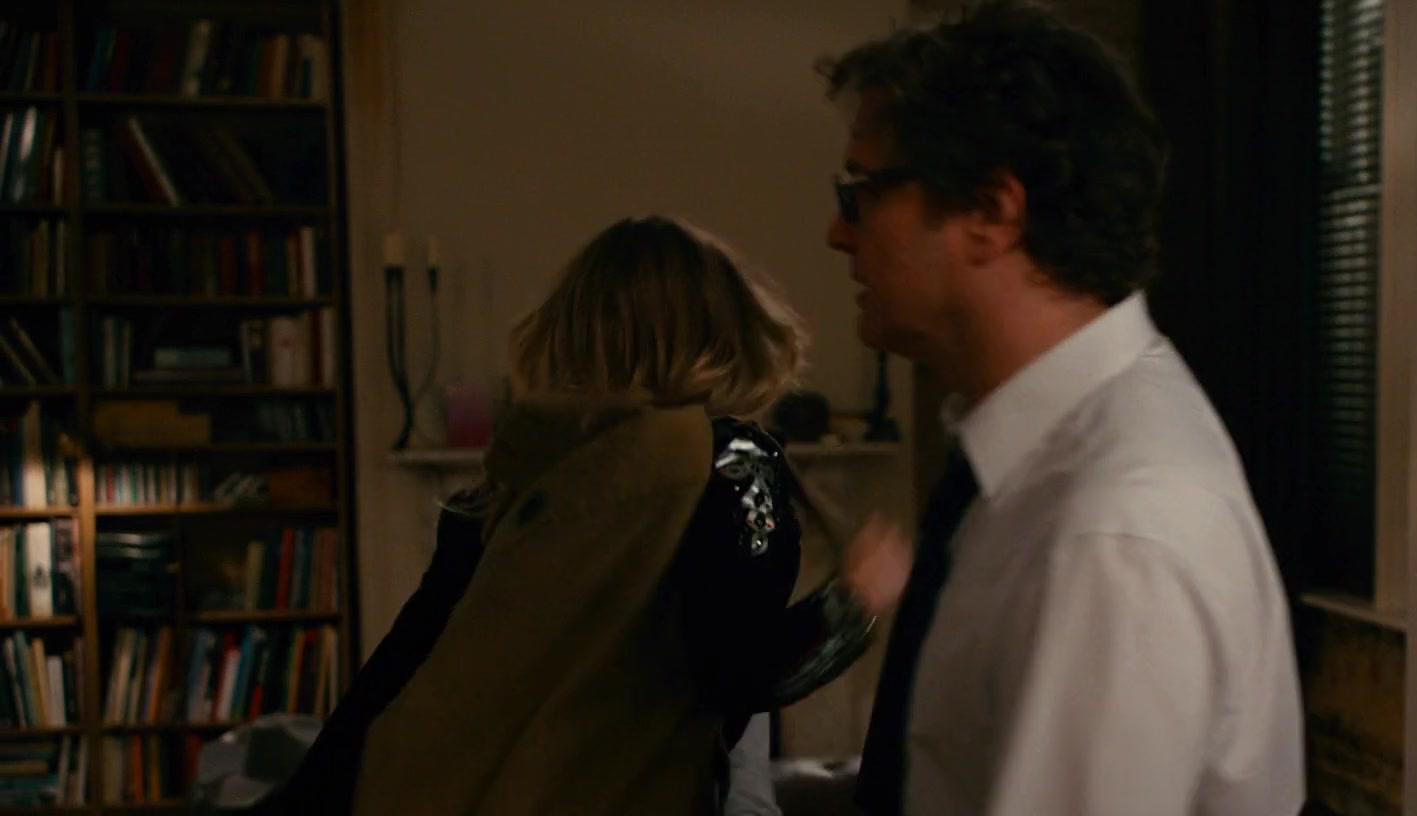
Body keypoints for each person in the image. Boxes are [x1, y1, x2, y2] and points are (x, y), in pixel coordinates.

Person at [821, 2, 1307, 814]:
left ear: (991, 213)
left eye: (861, 193)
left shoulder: (1109, 533)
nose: (839, 233)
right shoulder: (1030, 465)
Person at [261, 215, 875, 815]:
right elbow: (736, 674)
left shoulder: (515, 483)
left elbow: (395, 676)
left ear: (569, 333)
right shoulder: (730, 464)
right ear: (731, 331)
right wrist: (852, 605)